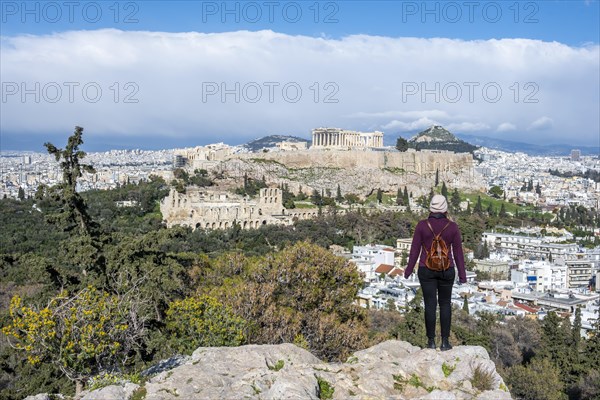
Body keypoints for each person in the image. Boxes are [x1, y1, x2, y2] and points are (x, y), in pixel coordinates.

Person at [403, 194, 467, 351]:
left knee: (430, 305)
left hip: (426, 269)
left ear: (430, 208)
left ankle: (431, 342)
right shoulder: (452, 227)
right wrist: (463, 275)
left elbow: (414, 250)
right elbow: (458, 252)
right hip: (447, 270)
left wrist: (409, 270)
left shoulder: (422, 225)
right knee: (445, 304)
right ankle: (445, 342)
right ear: (445, 208)